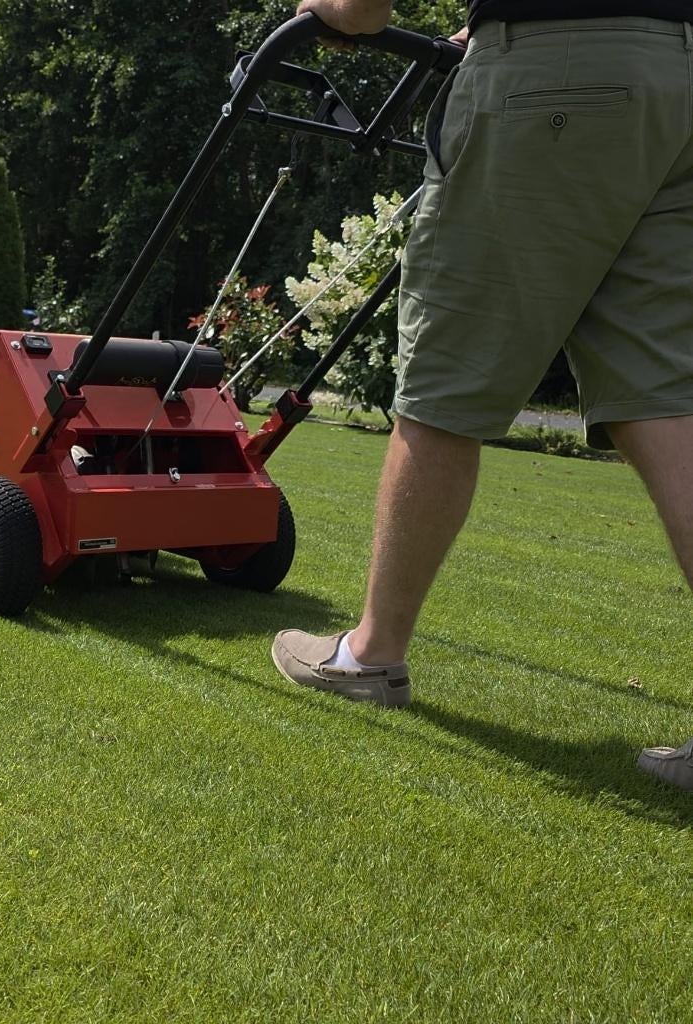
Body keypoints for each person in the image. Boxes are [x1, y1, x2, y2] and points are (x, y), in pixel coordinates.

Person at [271, 0, 693, 791]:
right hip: (678, 76)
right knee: (667, 396)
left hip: (556, 83)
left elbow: (362, 9)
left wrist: (348, 13)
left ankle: (371, 654)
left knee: (444, 381)